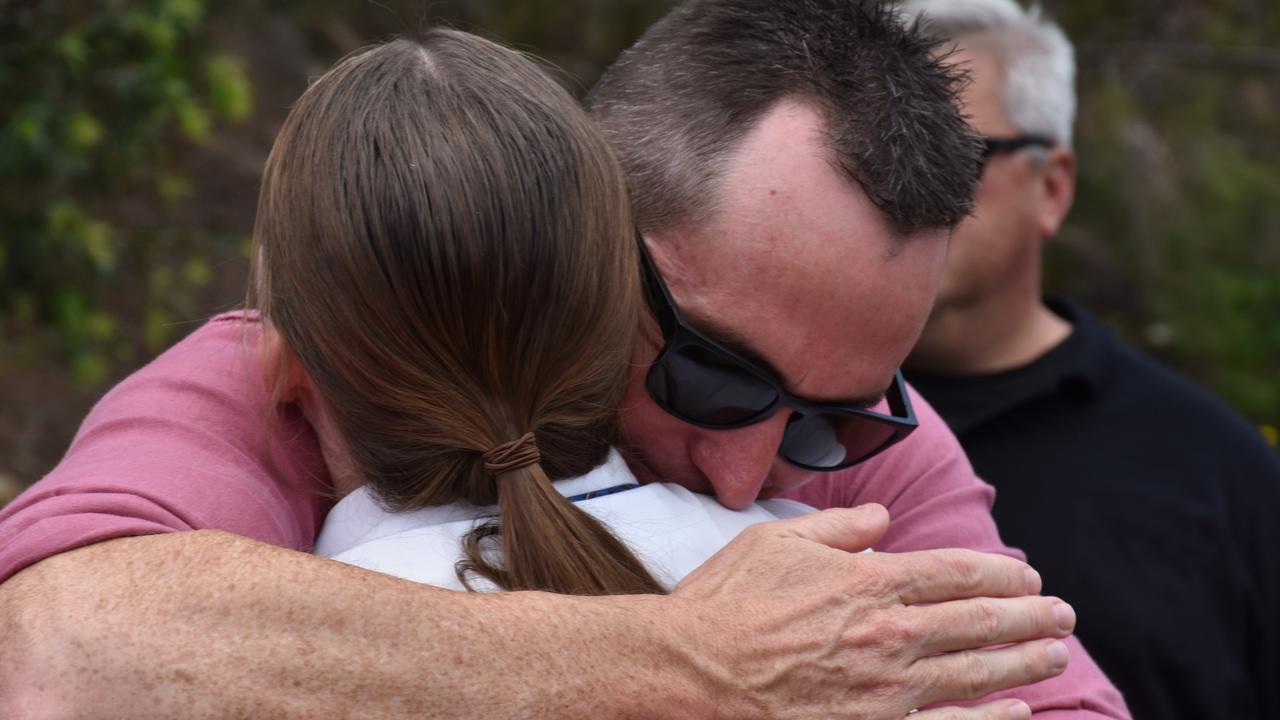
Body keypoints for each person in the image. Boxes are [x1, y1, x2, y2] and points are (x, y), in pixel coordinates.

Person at [0, 2, 1129, 718]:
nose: (747, 475)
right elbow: (59, 646)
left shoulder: (876, 421)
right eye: (713, 374)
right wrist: (685, 663)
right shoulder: (310, 362)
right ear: (582, 244)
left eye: (825, 423)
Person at [896, 1, 1280, 718]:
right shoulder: (763, 425)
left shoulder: (1219, 472)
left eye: (952, 154)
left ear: (1053, 186)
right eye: (878, 155)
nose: (906, 190)